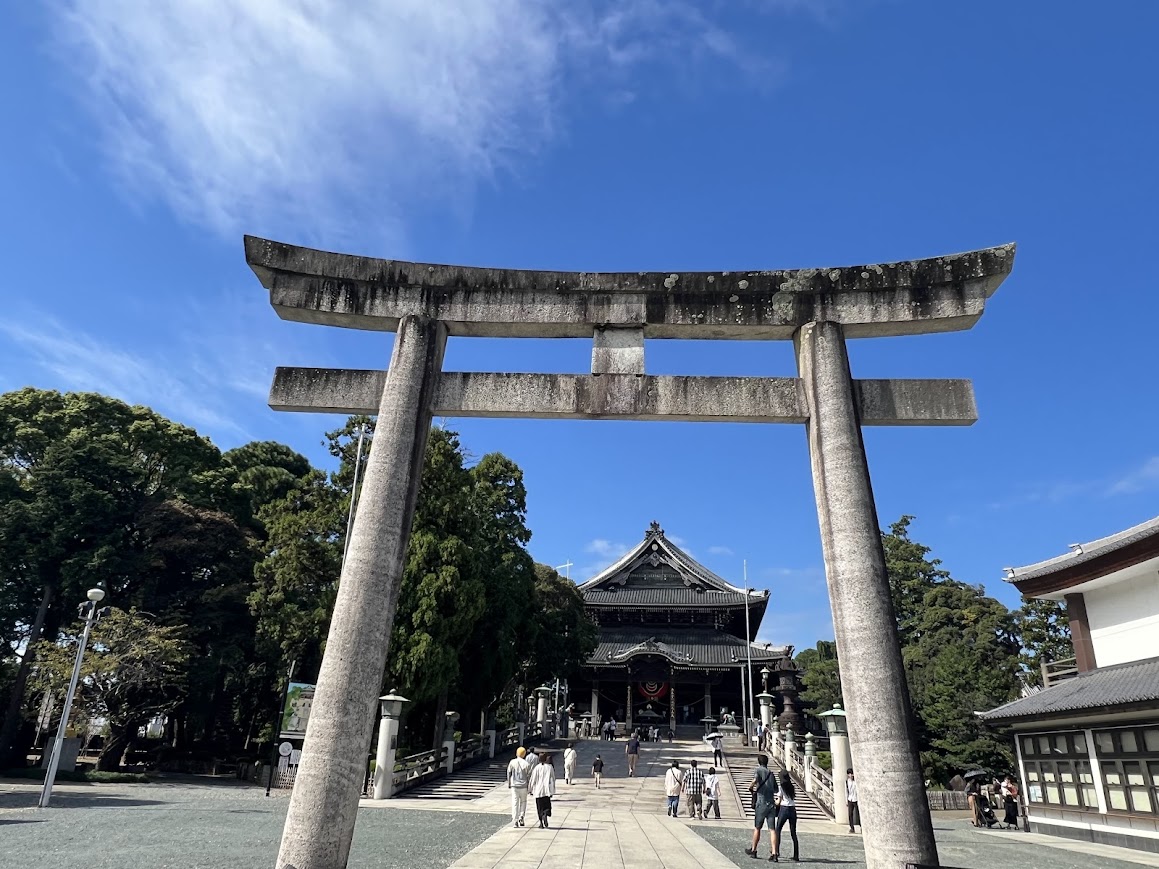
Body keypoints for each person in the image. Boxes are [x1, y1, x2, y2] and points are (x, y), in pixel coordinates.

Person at [746, 754, 778, 860]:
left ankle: (754, 850)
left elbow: (755, 780)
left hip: (761, 802)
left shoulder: (758, 770)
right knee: (772, 829)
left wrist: (751, 787)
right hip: (771, 803)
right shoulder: (771, 774)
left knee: (757, 827)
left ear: (759, 762)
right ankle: (774, 853)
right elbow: (776, 789)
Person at [772, 771, 799, 863]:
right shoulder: (792, 787)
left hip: (784, 809)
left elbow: (778, 802)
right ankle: (796, 855)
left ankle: (776, 852)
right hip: (793, 809)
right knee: (793, 833)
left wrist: (774, 801)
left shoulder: (781, 787)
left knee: (778, 830)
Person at [528, 752, 557, 828]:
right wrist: (553, 790)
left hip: (538, 791)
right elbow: (553, 778)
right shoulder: (549, 767)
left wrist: (530, 789)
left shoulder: (536, 768)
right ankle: (545, 814)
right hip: (546, 790)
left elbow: (533, 779)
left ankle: (541, 822)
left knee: (539, 807)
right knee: (547, 805)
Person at [506, 746, 531, 828]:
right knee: (523, 802)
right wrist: (529, 786)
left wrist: (509, 782)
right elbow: (529, 776)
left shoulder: (512, 762)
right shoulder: (526, 764)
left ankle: (515, 820)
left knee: (515, 802)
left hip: (514, 785)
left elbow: (509, 773)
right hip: (523, 786)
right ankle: (521, 816)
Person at [846, 769, 859, 834]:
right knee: (850, 814)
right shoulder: (847, 782)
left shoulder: (856, 781)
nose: (850, 775)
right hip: (850, 799)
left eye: (851, 774)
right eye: (849, 774)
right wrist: (846, 800)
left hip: (856, 799)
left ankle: (861, 826)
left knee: (858, 813)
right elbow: (846, 791)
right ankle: (852, 828)